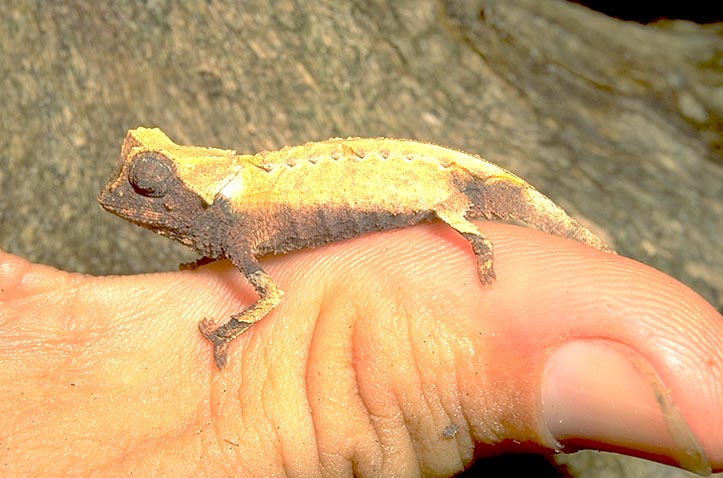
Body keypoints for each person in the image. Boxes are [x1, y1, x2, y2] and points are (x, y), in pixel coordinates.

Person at [1, 222, 721, 476]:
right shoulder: (231, 237)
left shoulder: (241, 236)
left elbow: (270, 298)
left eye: (152, 192)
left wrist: (227, 329)